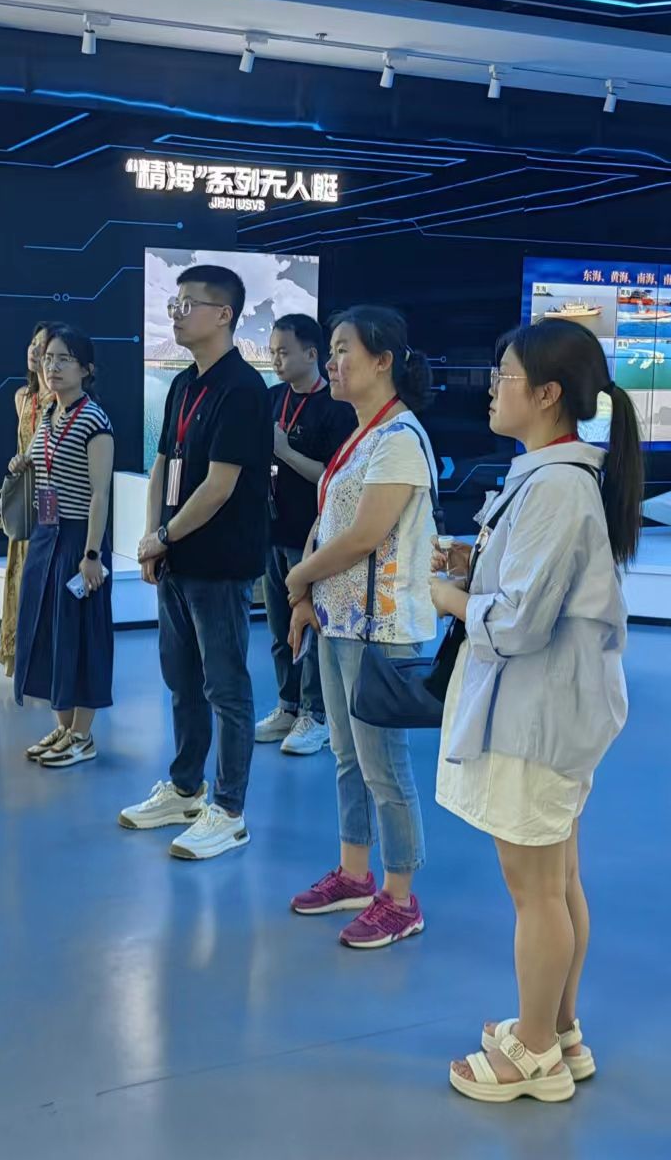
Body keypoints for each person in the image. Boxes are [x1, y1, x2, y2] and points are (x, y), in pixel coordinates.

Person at [435, 318, 642, 1105]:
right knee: (557, 879)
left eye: (506, 377)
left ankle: (533, 1053)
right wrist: (479, 563)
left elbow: (518, 624)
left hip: (536, 714)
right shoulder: (555, 478)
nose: (493, 390)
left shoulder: (556, 486)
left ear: (548, 393)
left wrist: (453, 597)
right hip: (549, 710)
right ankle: (557, 1027)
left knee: (536, 889)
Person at [284, 307, 438, 948]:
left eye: (344, 349)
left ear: (383, 360)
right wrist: (306, 596)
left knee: (384, 769)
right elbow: (330, 525)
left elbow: (365, 535)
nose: (332, 361)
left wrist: (297, 577)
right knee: (349, 758)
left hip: (380, 630)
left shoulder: (399, 438)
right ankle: (354, 873)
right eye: (332, 349)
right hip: (340, 621)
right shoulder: (359, 437)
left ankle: (400, 897)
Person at [120, 264, 271, 860]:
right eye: (174, 304)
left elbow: (220, 485)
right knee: (180, 681)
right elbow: (164, 463)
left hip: (220, 563)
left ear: (224, 315)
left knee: (225, 687)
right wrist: (153, 536)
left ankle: (229, 810)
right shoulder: (184, 384)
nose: (176, 314)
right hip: (176, 559)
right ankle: (186, 789)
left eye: (188, 304)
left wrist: (164, 536)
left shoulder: (243, 389)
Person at [10, 327, 115, 767]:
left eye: (64, 359)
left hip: (77, 540)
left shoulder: (94, 420)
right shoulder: (50, 412)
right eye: (49, 358)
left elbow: (100, 494)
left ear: (86, 369)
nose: (52, 366)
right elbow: (44, 464)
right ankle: (63, 725)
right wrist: (23, 462)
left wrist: (91, 555)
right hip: (46, 537)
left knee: (82, 635)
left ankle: (83, 736)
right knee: (50, 632)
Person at [257, 312, 355, 756]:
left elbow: (332, 478)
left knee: (310, 627)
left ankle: (315, 715)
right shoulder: (272, 398)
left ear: (311, 353)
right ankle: (288, 705)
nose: (275, 360)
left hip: (312, 536)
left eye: (284, 352)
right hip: (272, 531)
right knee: (280, 628)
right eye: (272, 352)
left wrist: (284, 450)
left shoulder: (335, 407)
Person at [0, 321, 61, 677]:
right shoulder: (22, 398)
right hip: (25, 497)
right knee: (21, 575)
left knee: (47, 575)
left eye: (44, 346)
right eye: (33, 343)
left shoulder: (62, 400)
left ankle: (48, 659)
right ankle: (21, 657)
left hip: (52, 496)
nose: (35, 350)